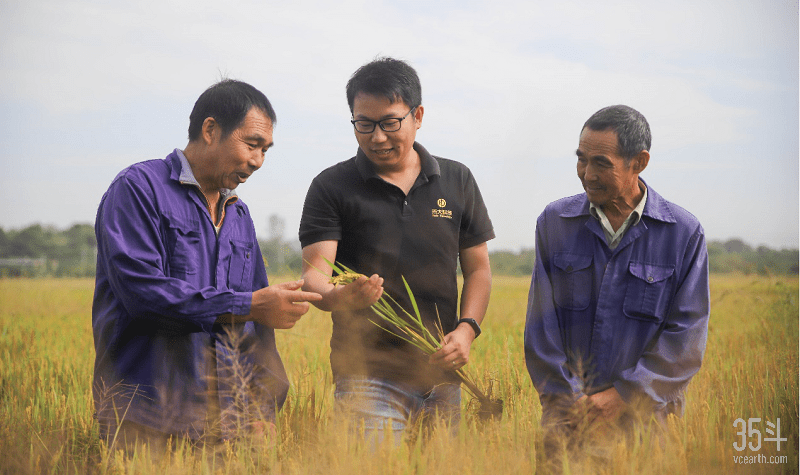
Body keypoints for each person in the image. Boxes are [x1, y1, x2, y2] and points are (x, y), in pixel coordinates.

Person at [92, 79, 322, 452]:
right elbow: (142, 293)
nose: (258, 161)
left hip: (226, 425)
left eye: (265, 150)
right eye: (251, 144)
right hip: (144, 420)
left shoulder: (238, 215)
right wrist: (248, 305)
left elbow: (257, 332)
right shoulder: (138, 189)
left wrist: (263, 409)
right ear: (211, 129)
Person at [299, 57, 495, 443]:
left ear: (417, 115)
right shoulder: (331, 186)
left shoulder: (457, 180)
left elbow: (478, 270)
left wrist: (467, 330)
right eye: (364, 124)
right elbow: (315, 275)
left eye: (390, 122)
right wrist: (338, 297)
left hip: (443, 379)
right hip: (367, 379)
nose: (376, 137)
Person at [524, 105, 710, 466]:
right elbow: (540, 328)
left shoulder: (683, 234)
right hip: (568, 426)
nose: (587, 174)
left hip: (647, 428)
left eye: (601, 163)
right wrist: (572, 400)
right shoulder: (555, 223)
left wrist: (625, 395)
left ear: (638, 162)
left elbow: (685, 338)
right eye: (581, 160)